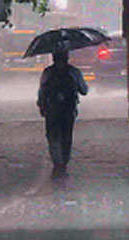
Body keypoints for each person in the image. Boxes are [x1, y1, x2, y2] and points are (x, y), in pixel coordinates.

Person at [37, 48, 88, 178]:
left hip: (52, 110)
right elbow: (84, 90)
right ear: (67, 57)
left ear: (53, 57)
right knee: (66, 137)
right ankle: (64, 164)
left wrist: (41, 106)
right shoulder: (73, 72)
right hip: (68, 110)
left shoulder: (48, 72)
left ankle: (57, 164)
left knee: (53, 136)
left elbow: (42, 91)